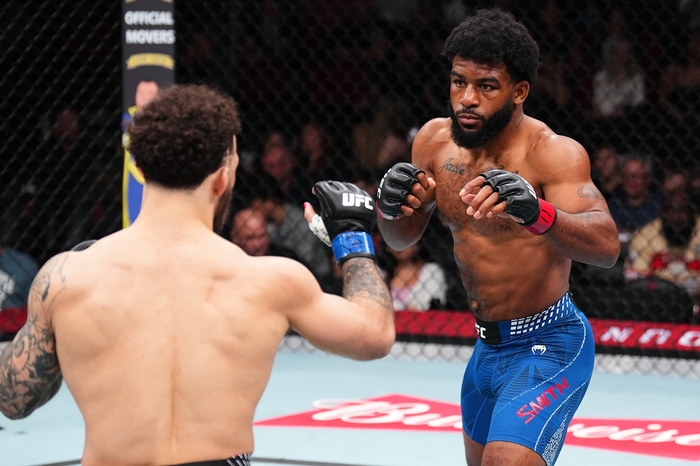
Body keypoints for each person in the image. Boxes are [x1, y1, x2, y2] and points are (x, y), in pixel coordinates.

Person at [0, 84, 394, 466]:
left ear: (140, 168)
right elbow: (374, 334)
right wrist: (352, 239)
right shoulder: (270, 280)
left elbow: (14, 398)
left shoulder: (67, 277)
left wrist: (61, 325)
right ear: (222, 179)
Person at [375, 9, 619, 466]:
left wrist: (538, 213)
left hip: (551, 342)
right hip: (486, 349)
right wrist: (389, 209)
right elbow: (401, 239)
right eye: (458, 82)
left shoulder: (552, 153)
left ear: (519, 91)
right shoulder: (433, 142)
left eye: (486, 86)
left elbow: (606, 247)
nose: (467, 99)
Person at [384, 240, 447, 311]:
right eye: (395, 240)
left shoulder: (432, 271)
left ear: (417, 243)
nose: (400, 246)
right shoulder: (382, 273)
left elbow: (434, 303)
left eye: (404, 240)